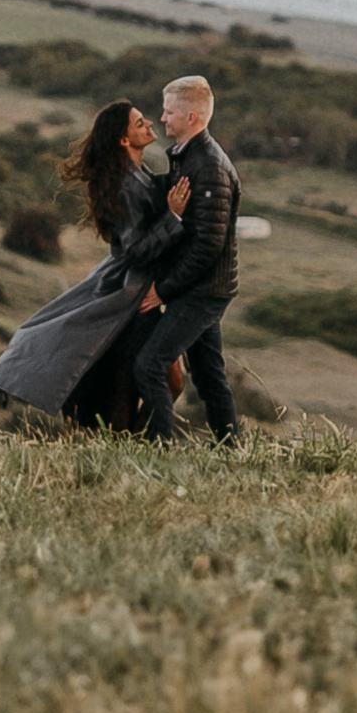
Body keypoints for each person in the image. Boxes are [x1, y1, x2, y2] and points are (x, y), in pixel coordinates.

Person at [0, 100, 189, 424]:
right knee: (160, 383)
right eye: (139, 123)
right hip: (132, 295)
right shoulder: (125, 187)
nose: (149, 123)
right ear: (124, 140)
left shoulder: (139, 175)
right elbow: (136, 251)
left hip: (139, 290)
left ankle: (138, 438)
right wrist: (173, 217)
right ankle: (138, 439)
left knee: (165, 384)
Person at [126, 74, 242, 442]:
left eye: (169, 112)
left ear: (191, 117)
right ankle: (230, 448)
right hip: (201, 287)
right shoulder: (187, 157)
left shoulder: (208, 167)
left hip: (203, 290)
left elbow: (208, 244)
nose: (162, 118)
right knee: (208, 376)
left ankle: (159, 446)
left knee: (150, 365)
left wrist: (163, 290)